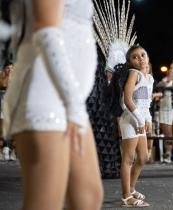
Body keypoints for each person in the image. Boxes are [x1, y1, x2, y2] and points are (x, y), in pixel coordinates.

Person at [3, 1, 103, 209]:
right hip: (47, 97)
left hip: (69, 100)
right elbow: (46, 31)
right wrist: (73, 105)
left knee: (87, 197)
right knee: (45, 203)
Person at [119, 45, 153, 207]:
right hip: (130, 120)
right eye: (135, 57)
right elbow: (127, 100)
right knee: (129, 158)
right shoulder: (134, 74)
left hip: (140, 121)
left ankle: (131, 188)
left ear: (147, 57)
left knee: (144, 157)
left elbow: (146, 103)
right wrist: (140, 121)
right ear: (130, 62)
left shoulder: (149, 78)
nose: (140, 58)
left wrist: (149, 120)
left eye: (142, 55)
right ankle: (126, 196)